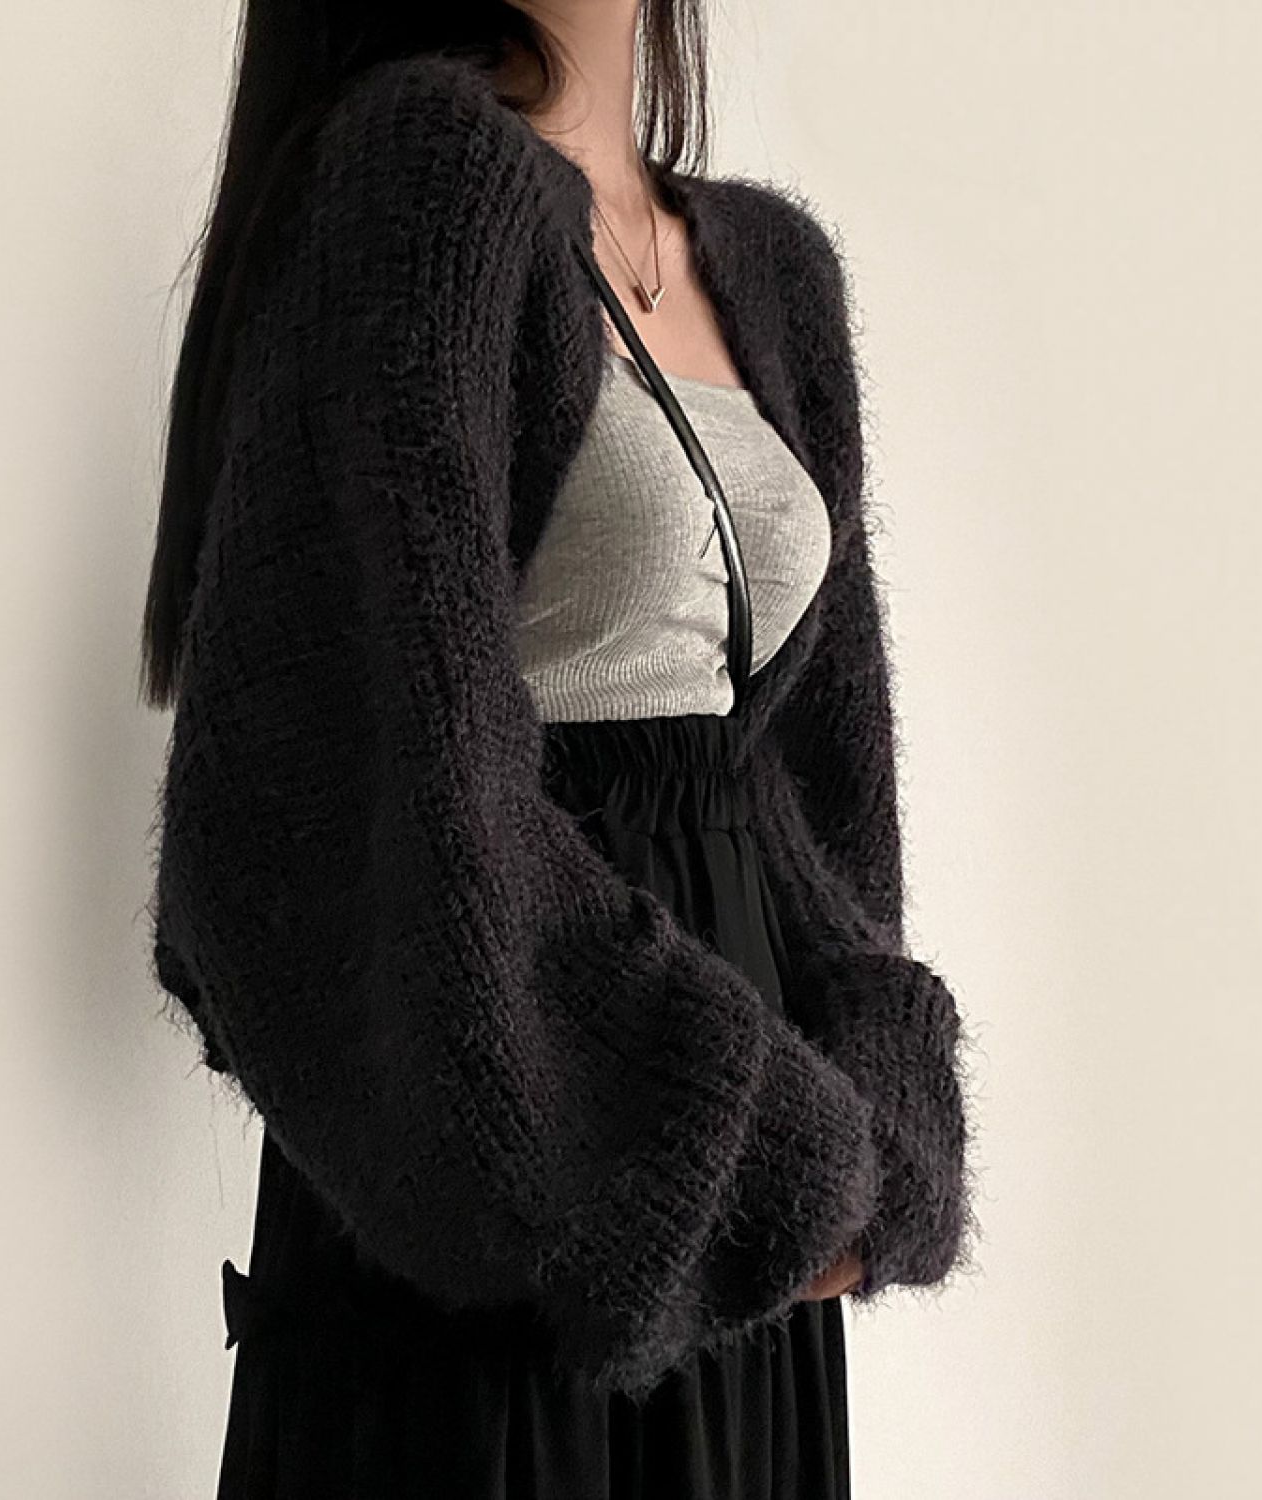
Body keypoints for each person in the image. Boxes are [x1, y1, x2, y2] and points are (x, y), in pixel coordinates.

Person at [139, 5, 976, 1497]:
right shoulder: (424, 176)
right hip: (519, 1182)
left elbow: (816, 789)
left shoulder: (773, 269)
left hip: (744, 1219)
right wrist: (742, 1140)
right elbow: (365, 793)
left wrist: (878, 1115)